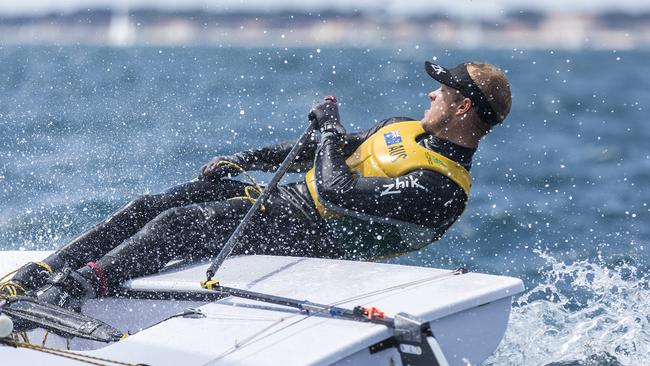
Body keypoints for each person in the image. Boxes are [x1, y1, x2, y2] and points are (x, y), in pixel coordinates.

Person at [1, 61, 511, 312]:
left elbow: (335, 191)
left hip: (314, 243)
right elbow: (319, 153)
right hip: (283, 206)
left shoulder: (442, 190)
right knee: (147, 206)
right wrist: (246, 159)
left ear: (464, 107)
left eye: (442, 91)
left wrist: (331, 127)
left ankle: (73, 292)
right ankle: (41, 272)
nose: (431, 93)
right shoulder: (406, 127)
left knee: (179, 225)